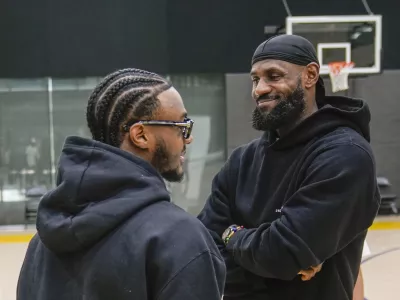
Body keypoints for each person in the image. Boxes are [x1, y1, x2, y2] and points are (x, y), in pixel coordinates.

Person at [198, 34, 380, 300]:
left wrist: (232, 236)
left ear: (310, 75)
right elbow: (203, 247)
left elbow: (282, 253)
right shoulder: (241, 161)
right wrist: (261, 250)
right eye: (255, 79)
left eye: (273, 75)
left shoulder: (345, 156)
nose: (259, 89)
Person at [17, 68, 226, 300]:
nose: (189, 138)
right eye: (181, 126)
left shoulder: (42, 241)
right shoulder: (180, 238)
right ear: (141, 135)